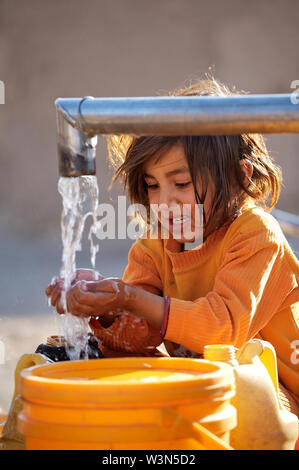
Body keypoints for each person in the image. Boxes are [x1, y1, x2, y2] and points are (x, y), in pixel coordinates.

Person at [46, 77, 299, 417]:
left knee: (233, 395)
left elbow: (221, 329)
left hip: (279, 399)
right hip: (213, 384)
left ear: (240, 177)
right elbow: (138, 337)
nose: (164, 203)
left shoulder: (255, 234)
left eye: (181, 183)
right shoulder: (155, 245)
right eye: (153, 186)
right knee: (74, 359)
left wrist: (129, 296)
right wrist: (103, 301)